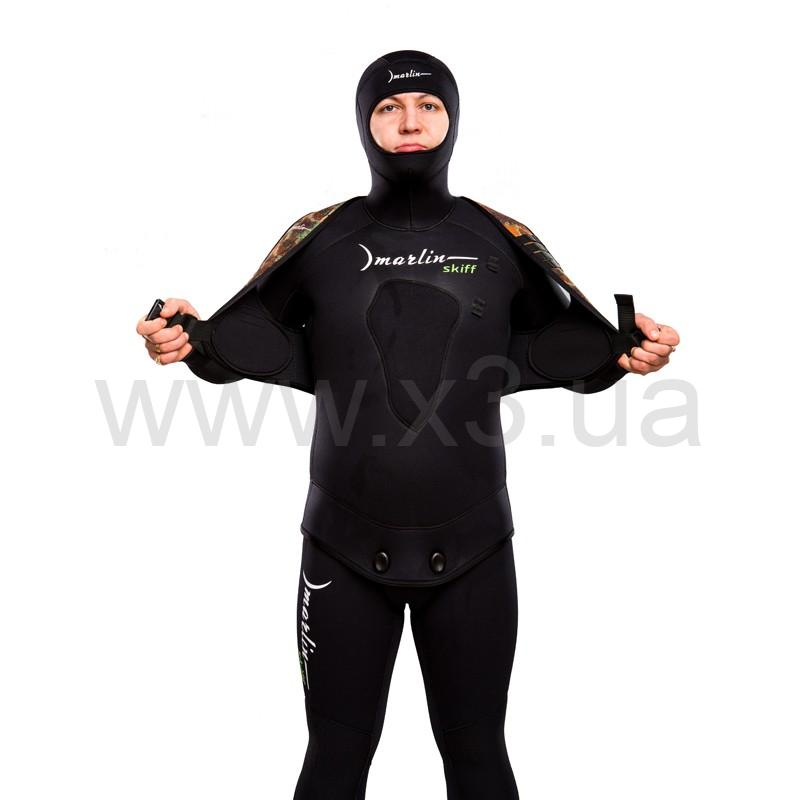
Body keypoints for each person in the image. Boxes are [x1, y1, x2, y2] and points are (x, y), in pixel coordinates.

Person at [136, 50, 679, 799]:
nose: (410, 120)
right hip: (342, 547)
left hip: (476, 547)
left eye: (429, 104)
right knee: (334, 758)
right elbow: (239, 344)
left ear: (454, 119)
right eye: (390, 107)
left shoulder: (499, 238)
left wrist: (631, 351)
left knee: (479, 755)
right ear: (365, 123)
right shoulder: (321, 238)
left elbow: (568, 353)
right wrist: (185, 340)